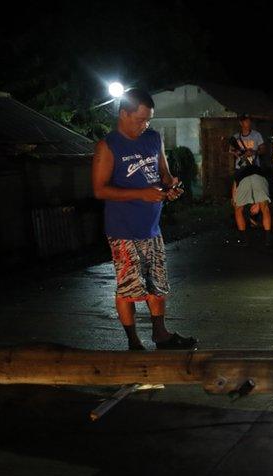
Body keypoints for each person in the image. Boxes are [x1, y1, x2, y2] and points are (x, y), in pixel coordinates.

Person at [91, 88, 197, 351]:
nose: (145, 125)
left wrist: (170, 186)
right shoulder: (108, 146)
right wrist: (141, 193)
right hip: (123, 230)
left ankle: (161, 334)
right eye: (140, 119)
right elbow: (99, 189)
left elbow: (164, 174)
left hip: (152, 228)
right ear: (123, 114)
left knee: (157, 283)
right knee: (128, 286)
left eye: (148, 119)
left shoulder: (153, 138)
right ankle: (133, 342)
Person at [229, 114, 272, 246]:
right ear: (241, 123)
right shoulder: (236, 137)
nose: (247, 123)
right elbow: (231, 151)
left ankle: (249, 237)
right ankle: (261, 236)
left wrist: (253, 152)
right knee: (262, 205)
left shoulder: (257, 135)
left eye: (248, 121)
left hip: (250, 171)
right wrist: (240, 153)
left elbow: (263, 149)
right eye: (245, 121)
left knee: (239, 206)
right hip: (245, 171)